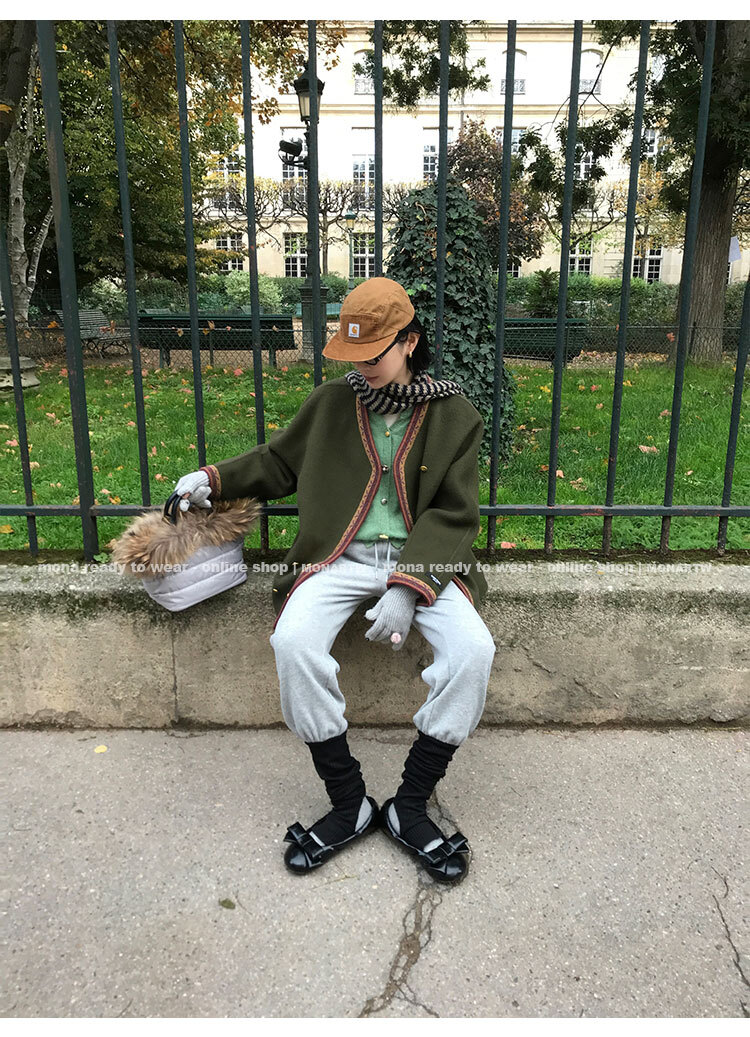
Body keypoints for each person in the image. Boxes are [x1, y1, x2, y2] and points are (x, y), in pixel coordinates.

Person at [174, 277, 496, 884]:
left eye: (373, 354)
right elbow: (278, 463)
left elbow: (455, 514)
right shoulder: (330, 403)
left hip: (422, 561)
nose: (361, 367)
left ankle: (408, 805)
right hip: (336, 558)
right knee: (293, 643)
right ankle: (349, 803)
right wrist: (212, 480)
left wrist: (408, 587)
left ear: (410, 342)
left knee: (473, 652)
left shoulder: (456, 417)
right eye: (353, 355)